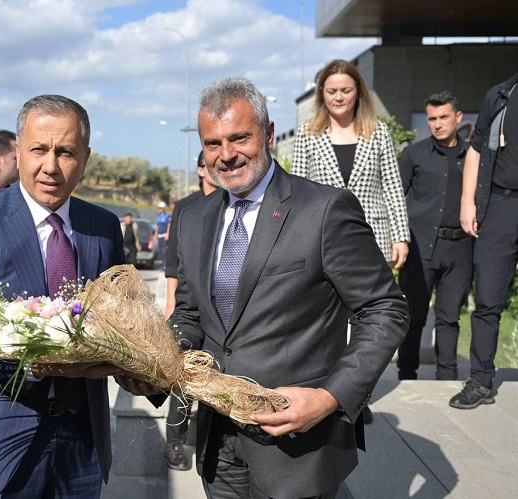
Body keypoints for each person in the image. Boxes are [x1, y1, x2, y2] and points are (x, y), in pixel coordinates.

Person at [119, 77, 408, 498]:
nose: (227, 155)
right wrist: (156, 367)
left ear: (268, 134)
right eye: (213, 143)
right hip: (219, 446)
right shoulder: (194, 219)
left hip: (297, 448)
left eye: (240, 138)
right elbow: (191, 314)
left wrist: (329, 398)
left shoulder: (324, 210)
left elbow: (385, 309)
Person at [0, 94, 127, 498]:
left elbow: (120, 321)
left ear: (86, 158)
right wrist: (36, 364)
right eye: (39, 149)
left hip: (81, 442)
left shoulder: (103, 227)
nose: (50, 166)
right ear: (18, 151)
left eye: (66, 152)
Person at [292, 59, 410, 424]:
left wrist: (401, 236)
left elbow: (392, 187)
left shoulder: (378, 133)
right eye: (332, 91)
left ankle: (356, 396)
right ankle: (326, 390)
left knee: (368, 318)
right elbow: (297, 188)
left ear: (358, 92)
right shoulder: (307, 135)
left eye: (346, 90)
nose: (339, 97)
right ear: (321, 95)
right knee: (326, 318)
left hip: (372, 236)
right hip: (323, 240)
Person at [397, 91, 473, 382]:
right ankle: (406, 376)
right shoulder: (414, 154)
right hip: (420, 248)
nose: (437, 124)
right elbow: (395, 198)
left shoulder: (472, 156)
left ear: (458, 117)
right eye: (432, 118)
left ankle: (447, 379)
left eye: (443, 117)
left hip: (460, 249)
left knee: (449, 318)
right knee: (413, 316)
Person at [456, 71, 518, 409]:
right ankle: (480, 381)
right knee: (488, 298)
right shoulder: (501, 94)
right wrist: (468, 201)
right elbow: (476, 150)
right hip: (501, 205)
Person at [162, 150, 219, 471]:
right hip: (188, 308)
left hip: (219, 310)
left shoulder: (231, 201)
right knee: (182, 380)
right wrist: (173, 308)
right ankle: (174, 440)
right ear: (200, 169)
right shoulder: (186, 207)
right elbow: (174, 264)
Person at [153, 201, 171, 270]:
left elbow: (169, 225)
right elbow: (157, 226)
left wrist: (167, 234)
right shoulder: (158, 217)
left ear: (163, 209)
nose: (159, 209)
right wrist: (155, 235)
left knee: (164, 250)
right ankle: (162, 263)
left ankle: (165, 264)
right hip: (159, 236)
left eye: (160, 208)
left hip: (164, 235)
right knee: (160, 251)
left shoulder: (167, 216)